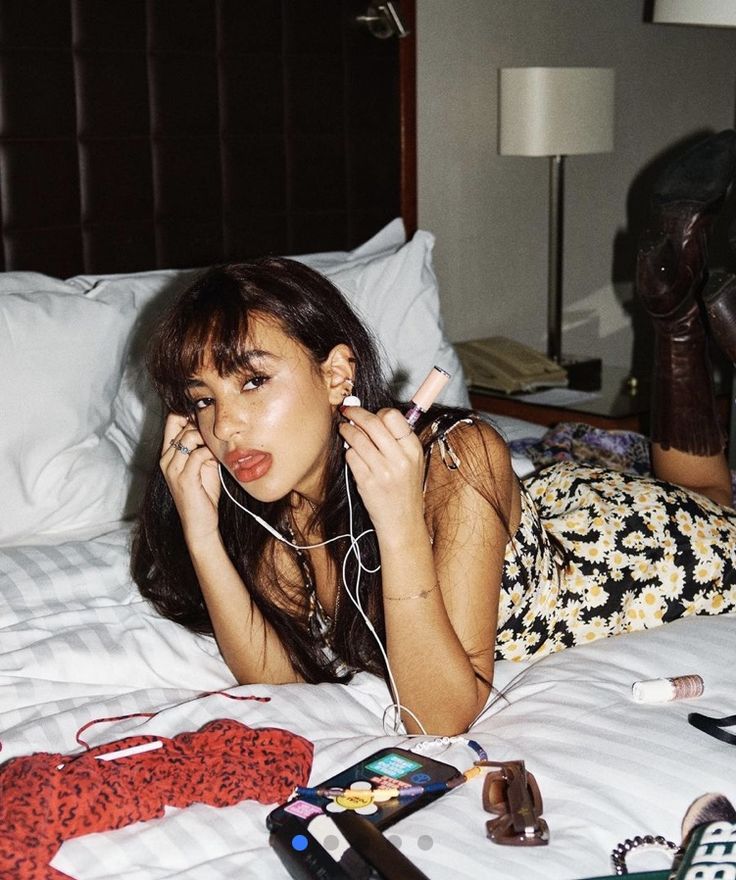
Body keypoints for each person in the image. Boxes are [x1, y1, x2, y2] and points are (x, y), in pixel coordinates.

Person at [132, 130, 736, 737]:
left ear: (336, 373)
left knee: (716, 505)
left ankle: (676, 313)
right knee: (708, 486)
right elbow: (278, 681)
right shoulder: (278, 507)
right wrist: (201, 528)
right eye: (201, 400)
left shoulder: (455, 454)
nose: (225, 425)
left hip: (629, 545)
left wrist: (396, 524)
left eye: (253, 381)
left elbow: (442, 716)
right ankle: (674, 312)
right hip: (546, 511)